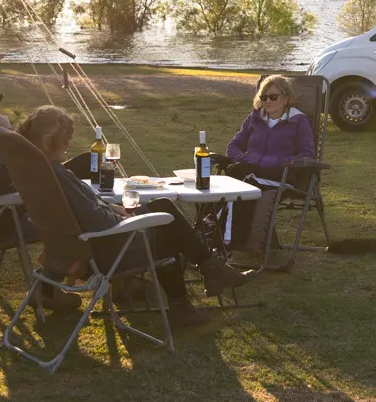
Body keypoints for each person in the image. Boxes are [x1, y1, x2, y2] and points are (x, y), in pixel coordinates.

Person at [17, 104, 250, 326]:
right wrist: (124, 219)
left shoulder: (38, 170)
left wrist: (112, 207)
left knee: (161, 205)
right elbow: (97, 220)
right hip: (104, 252)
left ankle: (208, 274)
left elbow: (85, 210)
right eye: (66, 139)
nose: (68, 145)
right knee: (165, 225)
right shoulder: (58, 177)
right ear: (53, 141)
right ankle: (190, 297)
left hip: (76, 247)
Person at [223, 74, 316, 247]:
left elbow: (307, 154)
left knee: (237, 176)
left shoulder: (299, 121)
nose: (268, 101)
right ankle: (231, 235)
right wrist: (244, 159)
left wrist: (279, 162)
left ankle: (227, 237)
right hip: (251, 172)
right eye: (264, 97)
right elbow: (233, 145)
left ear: (286, 98)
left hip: (280, 175)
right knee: (238, 176)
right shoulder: (255, 118)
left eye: (273, 97)